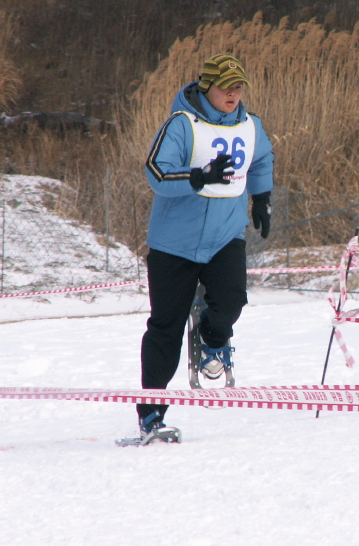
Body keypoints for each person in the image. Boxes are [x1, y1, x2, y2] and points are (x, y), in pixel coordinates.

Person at [136, 53, 274, 442]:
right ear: (206, 87)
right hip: (173, 244)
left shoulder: (251, 127)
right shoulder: (181, 125)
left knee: (232, 302)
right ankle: (151, 414)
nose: (233, 94)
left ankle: (213, 339)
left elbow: (261, 160)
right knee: (165, 328)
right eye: (225, 87)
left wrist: (262, 198)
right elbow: (157, 174)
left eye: (239, 87)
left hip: (225, 237)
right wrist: (198, 177)